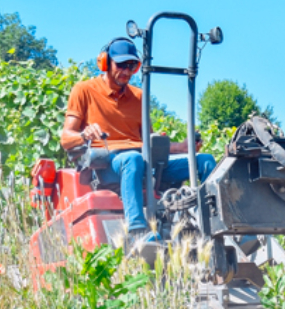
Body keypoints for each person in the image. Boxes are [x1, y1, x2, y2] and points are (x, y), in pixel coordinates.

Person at [60, 37, 216, 241]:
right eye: (121, 65)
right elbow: (66, 138)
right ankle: (137, 230)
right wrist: (83, 135)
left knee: (205, 161)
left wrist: (183, 147)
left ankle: (214, 225)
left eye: (132, 66)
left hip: (144, 161)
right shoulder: (84, 90)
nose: (126, 72)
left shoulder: (140, 96)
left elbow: (148, 142)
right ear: (105, 63)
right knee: (132, 159)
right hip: (109, 164)